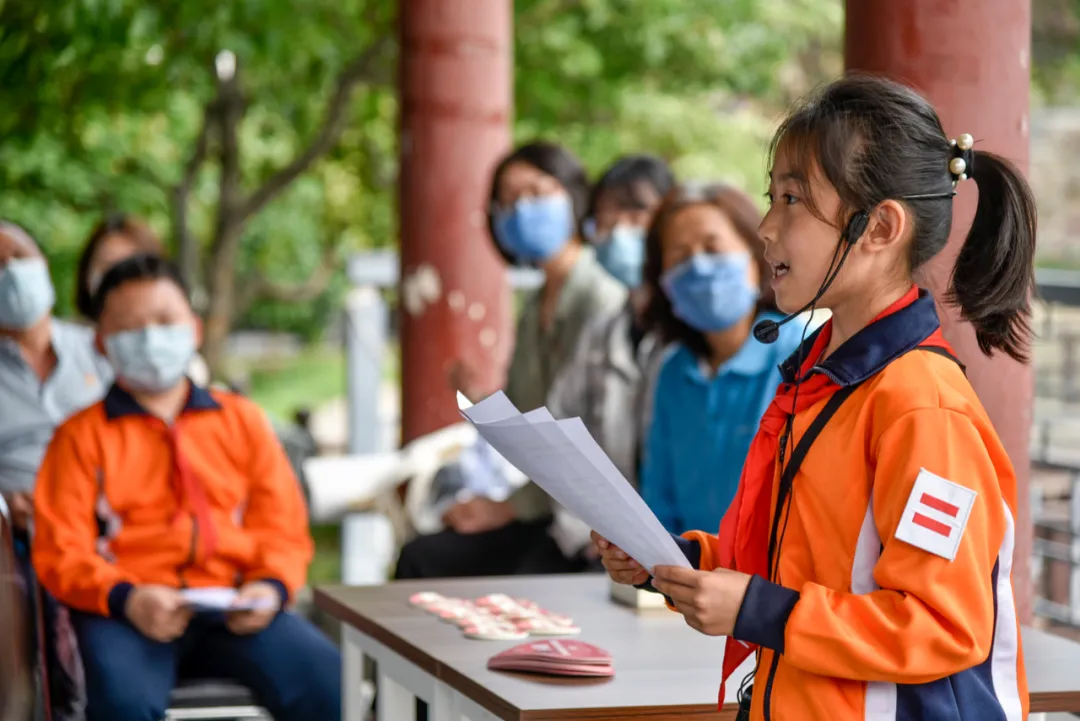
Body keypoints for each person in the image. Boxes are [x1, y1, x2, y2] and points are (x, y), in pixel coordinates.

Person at [596, 74, 1032, 721]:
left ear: (880, 227)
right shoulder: (822, 378)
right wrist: (673, 560)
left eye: (793, 199)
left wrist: (756, 611)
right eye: (771, 197)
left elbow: (941, 623)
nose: (767, 228)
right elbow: (789, 567)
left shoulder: (922, 406)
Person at [32, 254, 341, 721]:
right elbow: (60, 549)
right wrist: (126, 598)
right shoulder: (78, 437)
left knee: (329, 683)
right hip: (125, 611)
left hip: (235, 604)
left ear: (193, 329)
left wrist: (271, 586)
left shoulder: (241, 420)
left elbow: (283, 526)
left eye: (164, 320)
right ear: (100, 343)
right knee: (122, 705)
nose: (151, 337)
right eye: (130, 327)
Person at [395, 141, 627, 579]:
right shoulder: (537, 302)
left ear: (575, 196)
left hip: (587, 521)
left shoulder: (602, 298)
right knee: (423, 556)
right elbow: (530, 416)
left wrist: (510, 508)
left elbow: (592, 438)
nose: (522, 209)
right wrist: (483, 400)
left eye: (537, 192)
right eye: (508, 200)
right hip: (548, 504)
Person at [638, 183, 802, 535]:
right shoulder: (673, 372)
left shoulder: (801, 353)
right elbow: (659, 499)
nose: (698, 265)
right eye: (680, 257)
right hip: (689, 577)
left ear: (756, 255)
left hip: (773, 582)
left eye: (713, 247)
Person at [545, 154, 673, 562]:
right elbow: (559, 431)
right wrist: (585, 538)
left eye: (637, 214)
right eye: (604, 219)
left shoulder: (694, 336)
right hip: (598, 545)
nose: (619, 232)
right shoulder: (603, 330)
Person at [76, 213, 211, 386]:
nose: (120, 277)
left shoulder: (183, 364)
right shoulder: (65, 346)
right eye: (107, 265)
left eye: (131, 263)